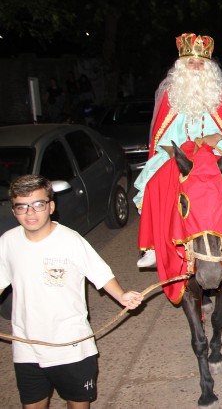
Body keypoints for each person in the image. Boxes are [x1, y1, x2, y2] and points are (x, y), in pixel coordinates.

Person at [0, 174, 143, 408]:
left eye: (38, 204)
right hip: (26, 345)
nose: (30, 213)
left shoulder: (69, 240)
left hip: (71, 345)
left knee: (77, 403)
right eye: (22, 207)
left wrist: (122, 295)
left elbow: (100, 273)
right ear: (14, 211)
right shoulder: (7, 242)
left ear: (51, 206)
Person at [134, 32, 222, 268]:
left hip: (215, 152)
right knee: (154, 183)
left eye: (201, 63)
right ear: (181, 67)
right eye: (191, 63)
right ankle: (154, 245)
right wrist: (181, 150)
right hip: (180, 156)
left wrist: (213, 139)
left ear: (209, 69)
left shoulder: (221, 98)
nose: (196, 68)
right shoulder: (171, 98)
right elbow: (162, 139)